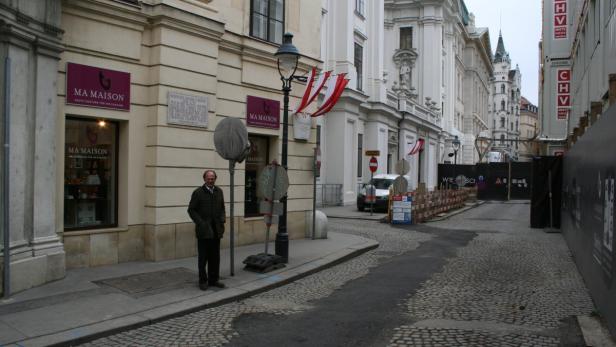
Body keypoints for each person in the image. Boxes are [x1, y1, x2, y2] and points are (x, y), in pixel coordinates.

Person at [188, 170, 226, 290]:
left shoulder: (219, 191)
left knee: (215, 257)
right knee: (203, 258)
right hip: (204, 231)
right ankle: (203, 281)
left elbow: (222, 208)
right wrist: (201, 223)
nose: (211, 180)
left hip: (216, 231)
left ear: (215, 179)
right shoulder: (198, 193)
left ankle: (214, 280)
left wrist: (222, 219)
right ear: (204, 179)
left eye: (213, 178)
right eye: (209, 178)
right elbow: (191, 210)